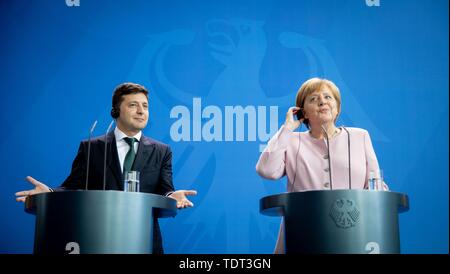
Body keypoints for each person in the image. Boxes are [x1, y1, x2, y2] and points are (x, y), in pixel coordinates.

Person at [15, 82, 197, 254]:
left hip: (145, 239)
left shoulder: (162, 151)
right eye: (133, 105)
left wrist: (171, 196)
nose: (141, 111)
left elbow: (165, 189)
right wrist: (49, 192)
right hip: (97, 238)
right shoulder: (91, 147)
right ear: (116, 110)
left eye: (145, 106)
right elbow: (72, 186)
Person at [255, 77, 387, 254]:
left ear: (337, 107)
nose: (322, 101)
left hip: (354, 234)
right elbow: (266, 170)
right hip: (303, 231)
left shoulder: (360, 136)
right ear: (303, 113)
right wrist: (287, 129)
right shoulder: (292, 140)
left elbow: (375, 184)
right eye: (313, 99)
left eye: (328, 97)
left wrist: (384, 199)